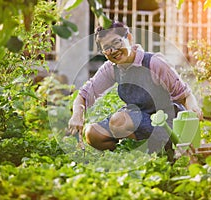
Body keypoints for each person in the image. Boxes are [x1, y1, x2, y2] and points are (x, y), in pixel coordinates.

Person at [68, 21, 202, 153]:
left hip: (165, 123)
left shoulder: (154, 63)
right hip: (134, 120)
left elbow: (185, 95)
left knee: (119, 120)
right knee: (93, 133)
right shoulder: (111, 68)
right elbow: (84, 94)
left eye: (117, 42)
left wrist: (193, 113)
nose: (114, 50)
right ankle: (131, 153)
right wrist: (77, 115)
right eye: (107, 48)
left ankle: (156, 151)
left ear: (129, 38)